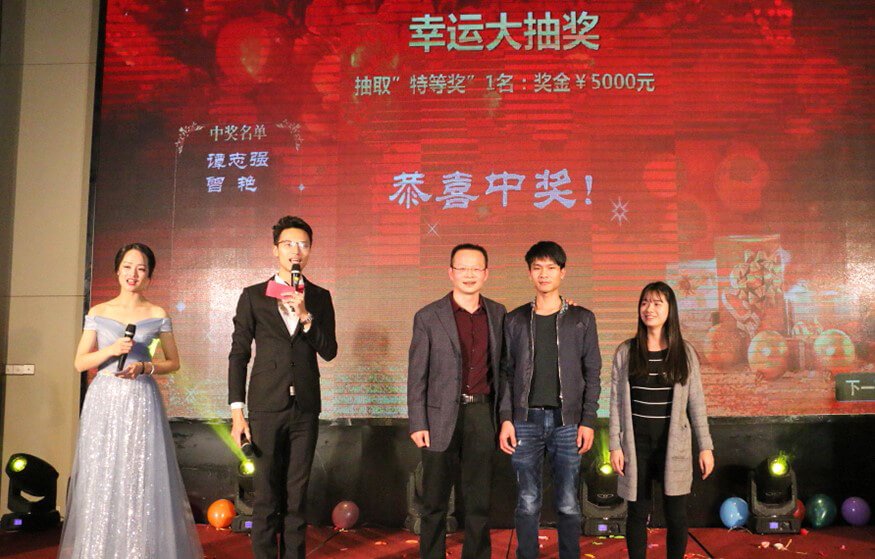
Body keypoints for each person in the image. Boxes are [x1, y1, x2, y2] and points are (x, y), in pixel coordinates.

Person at [59, 243, 202, 559]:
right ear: (117, 270)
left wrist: (145, 367)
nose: (133, 274)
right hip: (104, 397)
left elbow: (173, 362)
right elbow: (80, 363)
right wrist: (111, 350)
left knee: (139, 474)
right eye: (127, 266)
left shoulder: (157, 314)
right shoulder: (99, 312)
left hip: (140, 397)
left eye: (140, 268)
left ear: (149, 276)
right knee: (103, 472)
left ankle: (139, 551)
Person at [229, 216, 337, 559]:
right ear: (275, 249)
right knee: (265, 497)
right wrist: (237, 412)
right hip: (265, 406)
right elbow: (239, 354)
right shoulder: (253, 296)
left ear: (310, 251)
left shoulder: (319, 297)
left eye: (303, 244)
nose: (296, 250)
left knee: (297, 497)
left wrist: (305, 316)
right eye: (289, 244)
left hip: (305, 407)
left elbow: (329, 351)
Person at [498, 241, 601, 559]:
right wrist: (506, 419)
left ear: (562, 272)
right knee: (527, 501)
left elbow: (593, 372)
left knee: (568, 502)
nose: (544, 274)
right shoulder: (514, 320)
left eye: (551, 268)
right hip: (525, 422)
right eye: (537, 268)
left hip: (567, 423)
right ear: (529, 273)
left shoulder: (582, 319)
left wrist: (588, 420)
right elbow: (505, 373)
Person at [407, 243, 506, 559]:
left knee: (479, 501)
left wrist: (505, 419)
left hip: (482, 413)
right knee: (434, 501)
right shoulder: (428, 316)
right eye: (463, 268)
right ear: (450, 272)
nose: (469, 274)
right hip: (438, 419)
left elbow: (505, 371)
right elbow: (417, 374)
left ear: (486, 273)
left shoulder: (499, 314)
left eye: (476, 268)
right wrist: (418, 422)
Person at [608, 281, 715, 559]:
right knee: (636, 512)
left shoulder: (684, 353)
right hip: (636, 446)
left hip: (673, 443)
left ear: (670, 310)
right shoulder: (626, 351)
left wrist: (705, 446)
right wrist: (615, 446)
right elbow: (616, 402)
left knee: (676, 514)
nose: (649, 309)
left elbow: (696, 402)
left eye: (657, 303)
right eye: (645, 302)